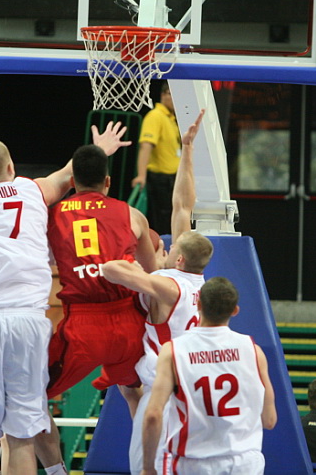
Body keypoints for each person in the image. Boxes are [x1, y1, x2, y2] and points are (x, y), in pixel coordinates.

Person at [0, 122, 130, 475]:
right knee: (22, 433)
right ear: (11, 166)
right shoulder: (32, 190)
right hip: (29, 322)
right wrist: (100, 150)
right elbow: (68, 174)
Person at [34, 141, 159, 473]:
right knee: (141, 393)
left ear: (72, 182)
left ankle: (56, 471)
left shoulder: (50, 217)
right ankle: (152, 466)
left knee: (27, 400)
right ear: (108, 181)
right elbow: (153, 274)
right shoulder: (132, 215)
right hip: (129, 322)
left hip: (83, 326)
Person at [102, 112, 214, 475]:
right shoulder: (201, 283)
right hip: (197, 390)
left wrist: (121, 249)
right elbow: (183, 205)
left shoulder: (166, 284)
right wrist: (187, 149)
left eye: (169, 245)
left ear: (177, 258)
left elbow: (114, 270)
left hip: (165, 391)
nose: (166, 243)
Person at [141, 277, 277, 475]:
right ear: (235, 310)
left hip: (194, 463)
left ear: (198, 305)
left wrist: (147, 467)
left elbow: (153, 415)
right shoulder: (254, 351)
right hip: (246, 463)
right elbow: (269, 420)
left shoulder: (174, 350)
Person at [132, 82, 180, 235]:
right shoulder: (155, 116)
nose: (176, 99)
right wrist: (141, 176)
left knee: (172, 221)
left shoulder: (171, 119)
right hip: (160, 180)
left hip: (173, 179)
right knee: (163, 224)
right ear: (163, 95)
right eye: (173, 94)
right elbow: (146, 146)